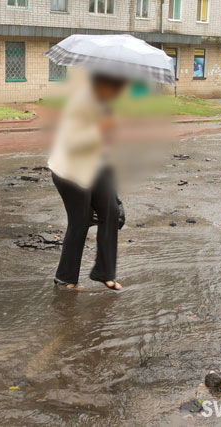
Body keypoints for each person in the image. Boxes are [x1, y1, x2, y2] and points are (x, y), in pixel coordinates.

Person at [48, 73, 127, 291]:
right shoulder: (79, 105)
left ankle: (105, 273)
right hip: (69, 171)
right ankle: (66, 278)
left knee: (111, 211)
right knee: (80, 221)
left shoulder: (105, 106)